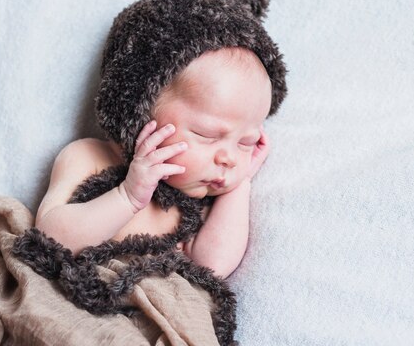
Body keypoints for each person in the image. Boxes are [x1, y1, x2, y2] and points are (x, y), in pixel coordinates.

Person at [35, 46, 272, 278]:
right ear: (143, 108)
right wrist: (126, 197)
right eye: (206, 135)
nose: (228, 159)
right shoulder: (88, 156)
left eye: (246, 143)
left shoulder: (198, 196)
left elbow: (212, 266)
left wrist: (241, 183)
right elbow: (49, 237)